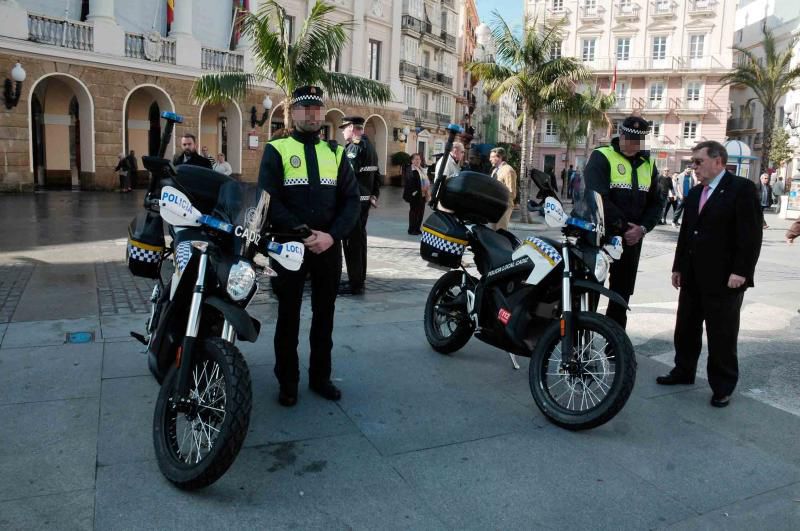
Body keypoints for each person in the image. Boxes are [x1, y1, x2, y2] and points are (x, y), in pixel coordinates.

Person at [258, 85, 360, 407]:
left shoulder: (336, 153)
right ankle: (288, 382)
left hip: (328, 248)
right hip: (289, 248)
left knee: (324, 315)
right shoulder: (276, 149)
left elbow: (351, 201)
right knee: (288, 316)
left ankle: (320, 378)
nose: (312, 114)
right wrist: (303, 233)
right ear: (294, 113)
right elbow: (268, 199)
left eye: (317, 108)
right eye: (305, 108)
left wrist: (331, 236)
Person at [657, 140, 762, 408]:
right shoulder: (694, 193)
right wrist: (678, 267)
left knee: (722, 335)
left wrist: (741, 271)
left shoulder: (741, 189)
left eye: (698, 162)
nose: (694, 167)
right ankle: (683, 371)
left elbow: (750, 236)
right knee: (686, 328)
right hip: (692, 275)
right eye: (693, 162)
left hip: (725, 278)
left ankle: (722, 386)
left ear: (718, 162)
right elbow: (686, 234)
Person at [584, 115, 661, 329]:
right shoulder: (602, 156)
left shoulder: (649, 164)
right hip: (600, 237)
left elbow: (656, 202)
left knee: (621, 295)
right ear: (621, 134)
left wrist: (643, 229)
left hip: (631, 242)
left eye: (638, 140)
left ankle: (615, 348)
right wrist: (626, 228)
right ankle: (581, 349)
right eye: (629, 137)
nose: (633, 144)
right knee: (590, 292)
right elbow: (598, 197)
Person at [340, 116, 381, 296]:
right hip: (364, 200)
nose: (342, 132)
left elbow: (347, 176)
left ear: (351, 127)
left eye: (344, 128)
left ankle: (355, 283)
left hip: (354, 200)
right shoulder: (370, 146)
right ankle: (359, 279)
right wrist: (374, 194)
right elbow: (377, 175)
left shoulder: (355, 147)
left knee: (352, 243)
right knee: (360, 240)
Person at [489, 147, 517, 231]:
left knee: (500, 231)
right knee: (493, 231)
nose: (490, 159)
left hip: (503, 206)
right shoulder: (495, 170)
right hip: (495, 205)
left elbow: (511, 192)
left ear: (499, 157)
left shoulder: (508, 170)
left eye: (492, 157)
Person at [403, 153, 429, 235]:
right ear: (412, 160)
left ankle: (417, 228)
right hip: (414, 194)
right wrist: (418, 189)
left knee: (421, 212)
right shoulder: (410, 170)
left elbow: (425, 181)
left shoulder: (421, 169)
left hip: (423, 194)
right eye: (416, 159)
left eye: (419, 159)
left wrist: (425, 189)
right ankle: (411, 229)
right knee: (414, 212)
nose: (418, 161)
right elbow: (410, 183)